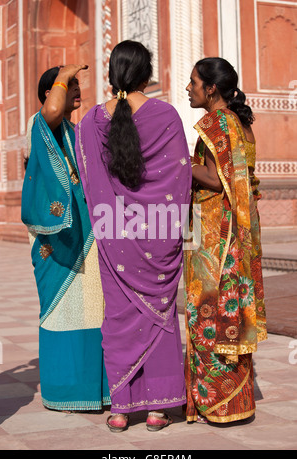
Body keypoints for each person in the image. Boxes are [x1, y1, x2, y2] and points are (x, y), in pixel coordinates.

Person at [75, 40, 192, 432]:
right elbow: (179, 177)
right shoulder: (166, 115)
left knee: (121, 317)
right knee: (158, 315)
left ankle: (121, 409)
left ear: (111, 75)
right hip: (158, 238)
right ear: (147, 73)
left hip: (114, 239)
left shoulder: (91, 121)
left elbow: (90, 181)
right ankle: (159, 410)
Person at [21, 65, 110, 412]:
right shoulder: (40, 125)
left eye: (76, 83)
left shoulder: (76, 132)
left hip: (87, 238)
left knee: (91, 312)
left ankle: (94, 388)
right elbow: (53, 111)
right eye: (69, 84)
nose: (77, 89)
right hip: (56, 245)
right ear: (50, 93)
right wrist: (64, 72)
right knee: (62, 311)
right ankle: (65, 390)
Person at [183, 57, 267, 424]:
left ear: (211, 88)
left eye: (193, 82)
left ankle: (215, 403)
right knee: (228, 314)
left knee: (209, 314)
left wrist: (180, 164)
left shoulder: (218, 122)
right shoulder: (240, 123)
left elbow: (218, 180)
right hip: (236, 232)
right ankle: (235, 403)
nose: (189, 88)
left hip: (217, 234)